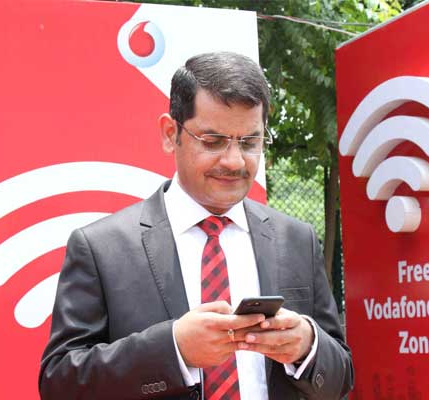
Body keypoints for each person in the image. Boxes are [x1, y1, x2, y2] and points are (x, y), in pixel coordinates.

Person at [39, 51, 353, 399]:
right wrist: (173, 350)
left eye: (250, 142)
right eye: (213, 141)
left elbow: (341, 378)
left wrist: (307, 346)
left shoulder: (296, 240)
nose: (233, 161)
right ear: (170, 133)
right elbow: (60, 383)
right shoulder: (101, 248)